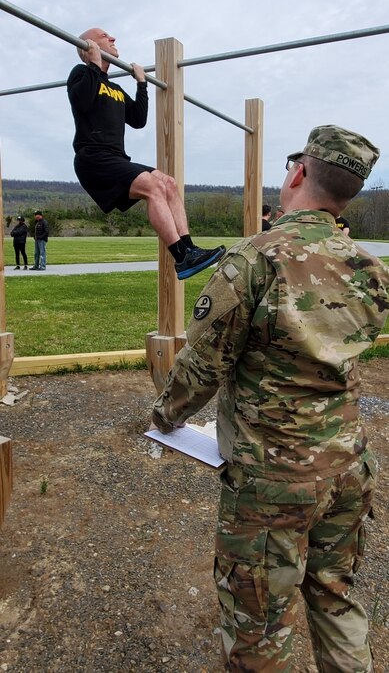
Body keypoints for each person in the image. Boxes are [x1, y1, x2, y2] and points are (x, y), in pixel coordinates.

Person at [151, 124, 389, 672]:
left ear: (299, 172)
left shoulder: (256, 260)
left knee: (258, 625)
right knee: (336, 599)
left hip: (274, 481)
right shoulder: (367, 268)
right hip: (349, 468)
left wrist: (165, 414)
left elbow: (203, 366)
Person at [67, 28, 225, 280]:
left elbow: (138, 119)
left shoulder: (115, 88)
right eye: (104, 36)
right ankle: (181, 257)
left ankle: (189, 249)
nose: (113, 38)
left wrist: (141, 84)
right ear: (89, 47)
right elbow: (82, 102)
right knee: (153, 186)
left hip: (116, 159)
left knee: (168, 183)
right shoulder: (81, 73)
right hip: (93, 159)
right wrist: (94, 64)